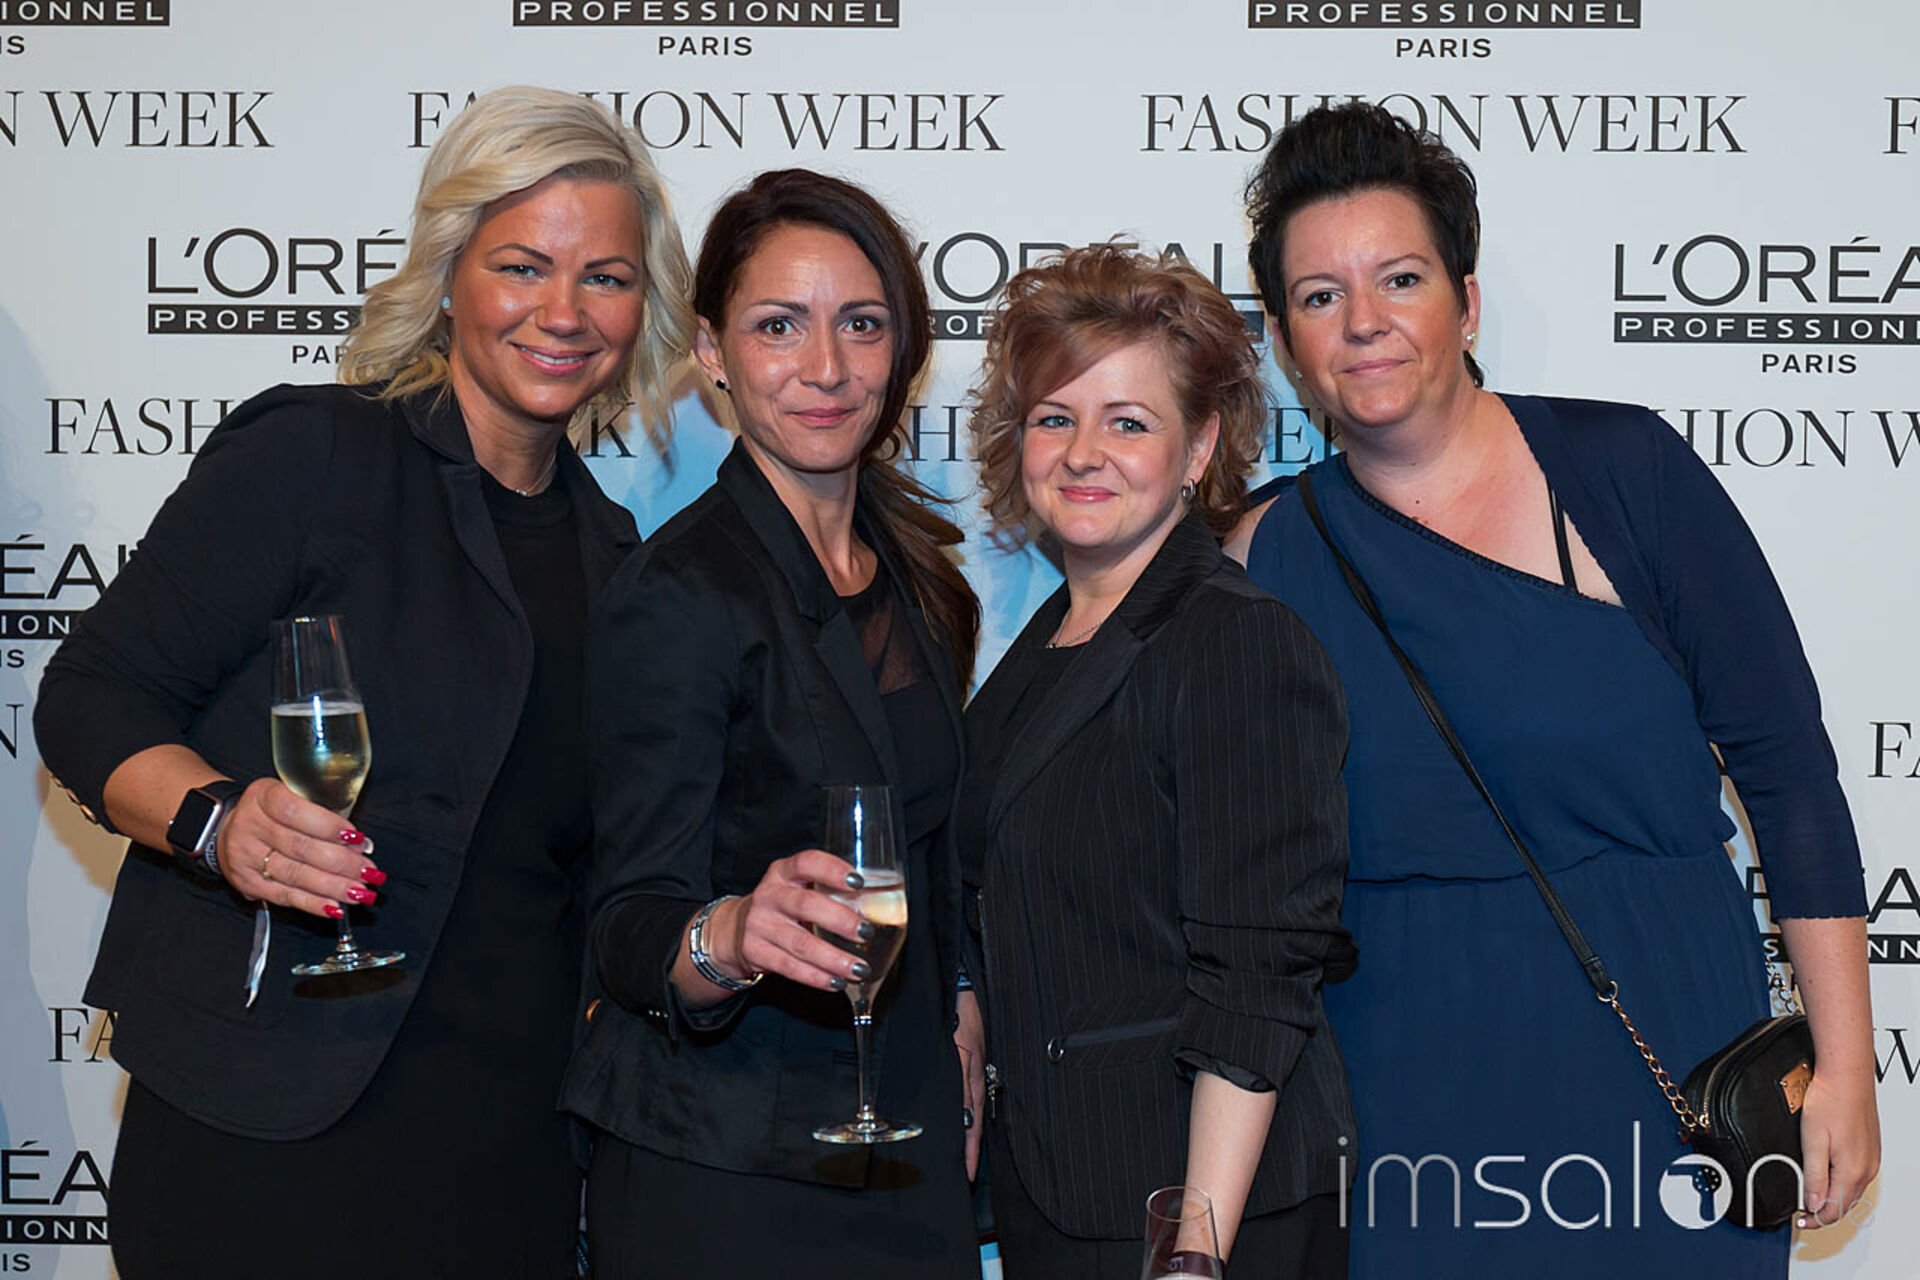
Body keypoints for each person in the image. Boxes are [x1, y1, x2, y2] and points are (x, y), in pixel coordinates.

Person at [34, 85, 693, 1278]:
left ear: (641, 307)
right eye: (522, 265)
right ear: (448, 276)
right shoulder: (317, 455)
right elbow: (91, 696)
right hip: (266, 1125)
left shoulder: (618, 560)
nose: (563, 311)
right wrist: (217, 822)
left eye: (605, 276)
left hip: (508, 1150)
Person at [1229, 102, 1879, 1276]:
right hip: (1399, 1084)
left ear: (1467, 302)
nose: (1365, 321)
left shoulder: (1626, 473)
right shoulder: (1260, 552)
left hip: (1666, 1057)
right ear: (1284, 339)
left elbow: (1788, 774)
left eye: (1402, 279)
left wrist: (1844, 1067)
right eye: (1321, 295)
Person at [560, 168, 984, 1278]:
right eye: (779, 326)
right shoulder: (678, 593)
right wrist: (734, 933)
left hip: (905, 1142)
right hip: (726, 1168)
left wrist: (964, 1001)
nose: (827, 368)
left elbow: (935, 849)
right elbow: (628, 921)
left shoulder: (919, 577)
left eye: (862, 324)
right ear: (712, 352)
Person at [960, 244, 1356, 1277]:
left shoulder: (1234, 642)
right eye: (1054, 418)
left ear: (1199, 446)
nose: (1082, 453)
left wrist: (1195, 1247)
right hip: (1063, 1190)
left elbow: (1259, 974)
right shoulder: (1049, 640)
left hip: (1196, 1210)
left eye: (1128, 422)